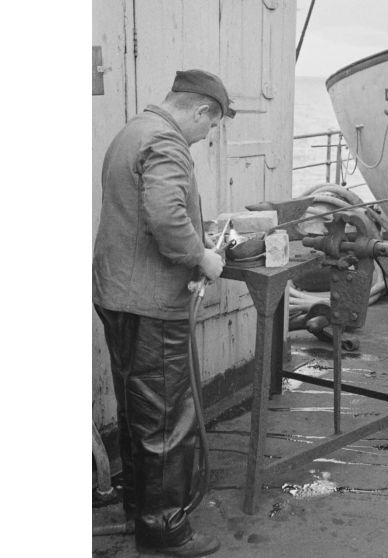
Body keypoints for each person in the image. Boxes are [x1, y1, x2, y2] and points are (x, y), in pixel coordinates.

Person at [93, 69, 235, 557]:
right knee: (167, 419)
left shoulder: (132, 131)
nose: (207, 135)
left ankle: (140, 507)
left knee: (139, 411)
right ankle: (165, 530)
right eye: (211, 125)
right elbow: (167, 217)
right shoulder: (168, 143)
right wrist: (203, 257)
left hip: (119, 295)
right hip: (151, 305)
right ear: (200, 112)